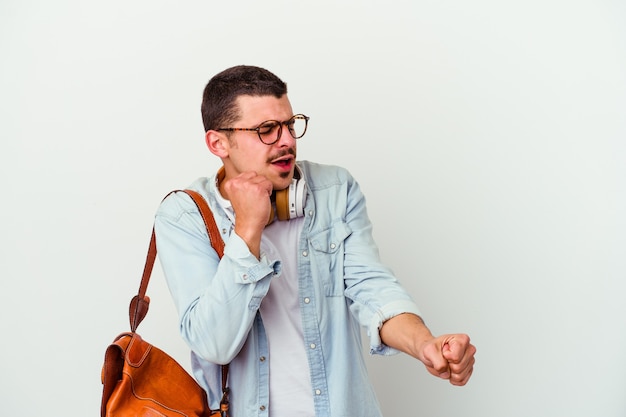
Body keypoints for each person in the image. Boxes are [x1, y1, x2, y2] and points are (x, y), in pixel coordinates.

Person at [154, 65, 476, 417]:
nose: (288, 141)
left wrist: (425, 344)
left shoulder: (335, 190)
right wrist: (248, 230)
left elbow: (373, 289)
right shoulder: (185, 217)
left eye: (290, 125)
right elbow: (213, 344)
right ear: (218, 143)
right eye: (267, 130)